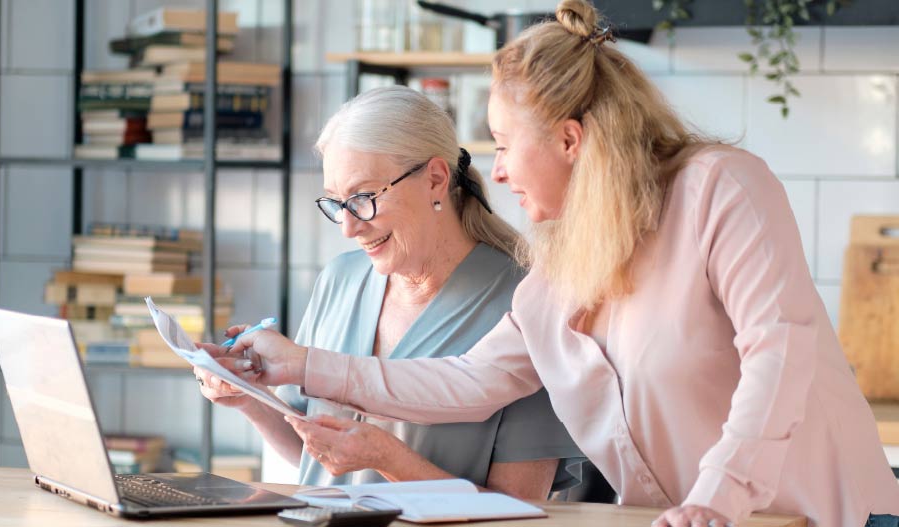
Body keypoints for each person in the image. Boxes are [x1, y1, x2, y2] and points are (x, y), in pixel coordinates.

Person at [214, 2, 899, 526]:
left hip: (821, 514)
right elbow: (466, 382)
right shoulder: (555, 275)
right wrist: (299, 365)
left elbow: (778, 357)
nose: (498, 170)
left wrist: (715, 500)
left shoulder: (721, 189)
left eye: (506, 144)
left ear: (570, 139)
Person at [193, 85, 584, 499]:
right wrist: (250, 398)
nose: (348, 227)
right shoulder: (339, 280)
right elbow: (319, 461)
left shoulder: (525, 300)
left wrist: (388, 459)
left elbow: (518, 510)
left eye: (362, 198)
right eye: (336, 203)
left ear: (435, 179)